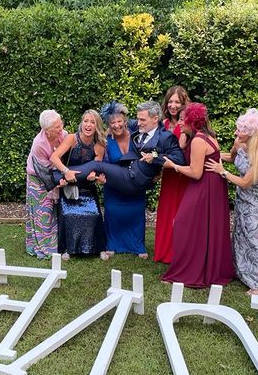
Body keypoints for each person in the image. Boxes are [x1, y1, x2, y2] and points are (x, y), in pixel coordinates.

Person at [205, 108, 258, 296]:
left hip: (256, 203)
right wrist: (209, 153)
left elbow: (246, 182)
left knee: (255, 240)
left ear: (252, 133)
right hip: (243, 200)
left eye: (241, 130)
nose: (236, 132)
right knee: (240, 234)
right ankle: (243, 271)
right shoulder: (240, 144)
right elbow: (230, 157)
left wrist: (222, 172)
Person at [45, 101, 186, 197]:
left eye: (142, 120)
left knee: (96, 165)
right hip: (127, 173)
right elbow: (118, 121)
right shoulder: (140, 128)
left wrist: (155, 159)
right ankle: (59, 176)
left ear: (155, 119)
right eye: (138, 119)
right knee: (97, 167)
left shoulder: (165, 136)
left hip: (136, 179)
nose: (138, 123)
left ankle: (56, 177)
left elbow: (180, 160)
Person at [162, 103, 235, 288]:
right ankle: (205, 268)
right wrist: (185, 136)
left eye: (182, 120)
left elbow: (196, 172)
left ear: (191, 122)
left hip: (204, 185)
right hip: (213, 185)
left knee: (182, 223)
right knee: (204, 228)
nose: (179, 124)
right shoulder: (206, 135)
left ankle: (191, 270)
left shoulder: (198, 141)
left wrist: (173, 166)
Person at [49, 110, 107, 261]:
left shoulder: (99, 145)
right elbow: (54, 158)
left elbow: (97, 168)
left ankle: (98, 247)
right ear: (82, 123)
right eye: (86, 121)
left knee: (94, 215)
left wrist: (94, 177)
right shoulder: (71, 138)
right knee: (69, 215)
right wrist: (66, 171)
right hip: (70, 187)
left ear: (97, 126)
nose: (88, 125)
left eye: (92, 122)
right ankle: (69, 248)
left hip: (87, 188)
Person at [99, 101, 148, 258]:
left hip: (136, 183)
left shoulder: (137, 136)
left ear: (125, 121)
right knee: (113, 213)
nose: (116, 125)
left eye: (119, 121)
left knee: (136, 213)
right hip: (114, 185)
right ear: (108, 124)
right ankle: (112, 244)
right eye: (112, 122)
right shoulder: (106, 140)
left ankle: (138, 246)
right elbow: (103, 162)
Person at [154, 86, 191, 263]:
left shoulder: (186, 126)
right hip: (168, 175)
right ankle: (164, 252)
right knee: (167, 210)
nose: (173, 105)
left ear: (184, 104)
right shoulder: (164, 124)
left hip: (181, 175)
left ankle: (178, 253)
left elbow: (181, 150)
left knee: (180, 214)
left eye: (177, 102)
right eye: (170, 101)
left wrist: (157, 158)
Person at [25, 109, 68, 258]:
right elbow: (44, 171)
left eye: (60, 123)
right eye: (57, 126)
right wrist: (58, 181)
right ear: (47, 130)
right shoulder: (39, 144)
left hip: (56, 175)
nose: (61, 128)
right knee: (42, 212)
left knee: (55, 210)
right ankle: (43, 247)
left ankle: (57, 243)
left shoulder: (64, 135)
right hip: (38, 177)